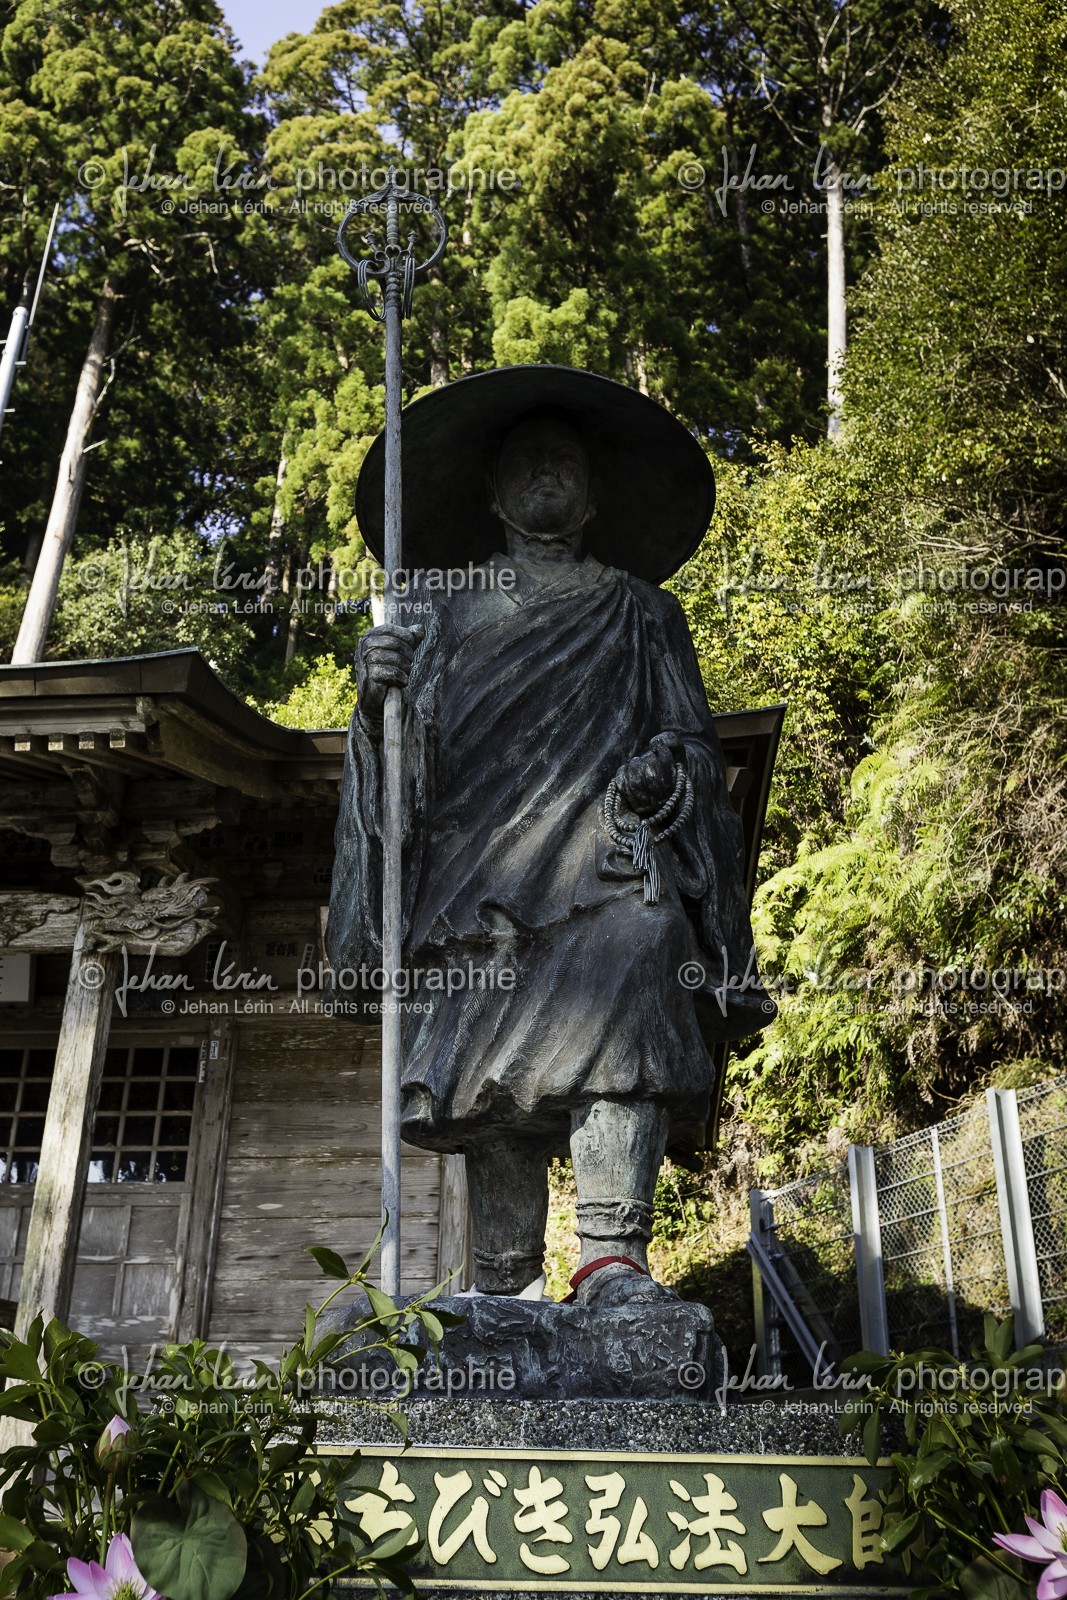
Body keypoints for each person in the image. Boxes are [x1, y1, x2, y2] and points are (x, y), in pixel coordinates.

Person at [328, 365, 775, 1309]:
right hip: (478, 868)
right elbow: (403, 777)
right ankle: (504, 1283)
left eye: (562, 461)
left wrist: (669, 767)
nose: (543, 474)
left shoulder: (643, 612)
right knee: (487, 1079)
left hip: (607, 856)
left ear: (594, 490)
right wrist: (375, 705)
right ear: (489, 492)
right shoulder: (436, 614)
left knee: (641, 965)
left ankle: (613, 1257)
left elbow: (695, 740)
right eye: (523, 462)